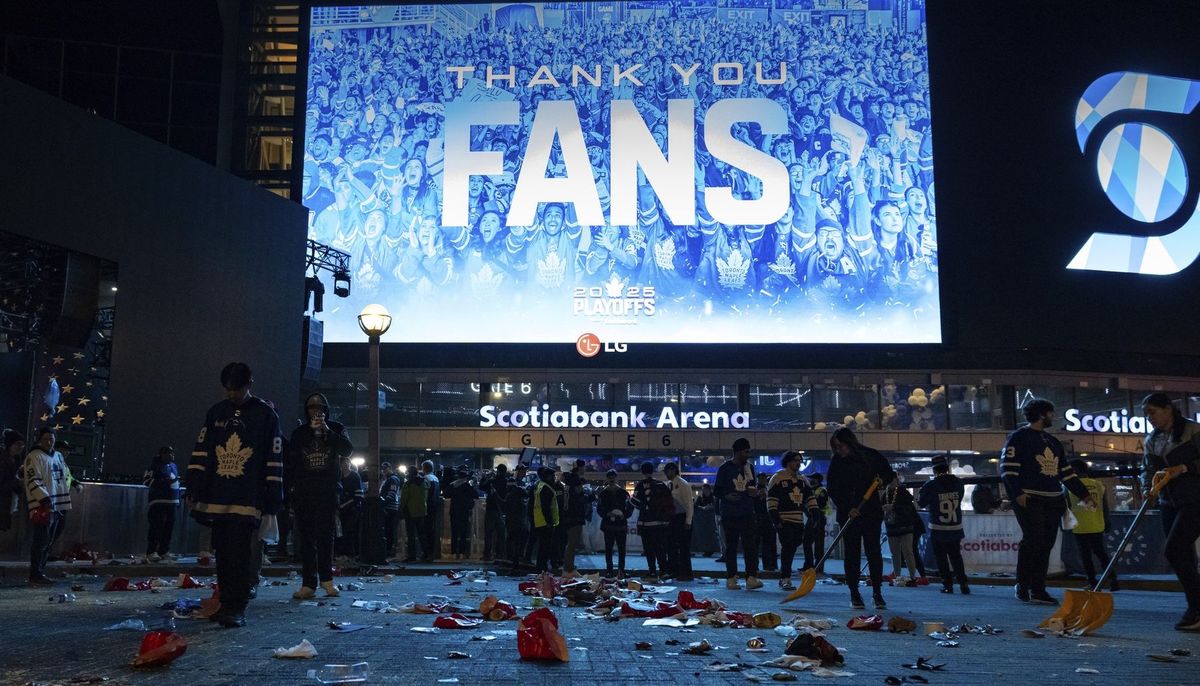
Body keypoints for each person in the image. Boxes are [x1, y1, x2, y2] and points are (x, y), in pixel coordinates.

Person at [186, 362, 283, 627]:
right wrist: (194, 485)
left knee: (240, 553)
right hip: (218, 495)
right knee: (223, 553)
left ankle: (237, 606)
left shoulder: (265, 415)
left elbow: (273, 457)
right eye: (228, 389)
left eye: (236, 389)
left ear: (249, 385)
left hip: (247, 496)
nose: (232, 394)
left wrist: (273, 495)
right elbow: (202, 450)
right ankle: (226, 602)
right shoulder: (216, 412)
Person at [1001, 398, 1091, 605]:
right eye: (1051, 413)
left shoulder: (1052, 441)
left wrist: (1083, 494)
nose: (1054, 417)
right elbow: (1007, 469)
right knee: (1034, 540)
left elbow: (1066, 473)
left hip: (1053, 499)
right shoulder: (1018, 437)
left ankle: (1037, 588)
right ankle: (1023, 584)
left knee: (1046, 544)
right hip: (1030, 498)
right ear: (1042, 414)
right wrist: (1017, 493)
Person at [1140, 393, 1200, 631]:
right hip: (1168, 502)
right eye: (1146, 414)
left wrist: (1184, 467)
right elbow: (1146, 469)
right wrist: (1147, 488)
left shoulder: (1193, 431)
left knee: (1174, 549)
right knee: (1183, 555)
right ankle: (1194, 607)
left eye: (1152, 412)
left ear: (1168, 409)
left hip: (1195, 499)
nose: (1149, 418)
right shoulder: (1151, 439)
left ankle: (1196, 608)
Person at [288, 393, 352, 599]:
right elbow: (292, 463)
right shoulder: (300, 433)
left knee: (326, 536)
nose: (316, 411)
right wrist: (291, 491)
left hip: (328, 490)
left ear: (326, 410)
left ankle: (327, 579)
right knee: (306, 538)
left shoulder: (336, 428)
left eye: (320, 407)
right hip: (305, 491)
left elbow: (347, 449)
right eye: (312, 407)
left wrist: (327, 432)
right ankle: (309, 583)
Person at [827, 427, 895, 610]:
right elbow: (832, 488)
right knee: (852, 553)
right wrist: (847, 507)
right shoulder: (837, 462)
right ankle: (854, 592)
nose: (838, 450)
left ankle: (877, 592)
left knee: (874, 552)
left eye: (840, 446)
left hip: (871, 511)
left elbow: (889, 474)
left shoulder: (871, 456)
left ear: (849, 443)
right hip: (849, 514)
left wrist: (882, 480)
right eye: (835, 447)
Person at [714, 438, 763, 590]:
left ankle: (751, 577)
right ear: (737, 452)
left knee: (750, 546)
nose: (748, 455)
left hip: (747, 511)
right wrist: (727, 496)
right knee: (731, 546)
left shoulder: (749, 467)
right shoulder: (725, 468)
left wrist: (755, 492)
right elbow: (717, 490)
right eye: (745, 452)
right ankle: (731, 577)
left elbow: (752, 486)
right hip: (730, 513)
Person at [767, 451, 820, 591]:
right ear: (788, 461)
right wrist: (776, 519)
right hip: (784, 519)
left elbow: (810, 498)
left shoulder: (802, 480)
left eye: (799, 461)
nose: (798, 463)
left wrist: (815, 514)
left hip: (798, 520)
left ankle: (785, 576)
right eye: (795, 460)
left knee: (793, 546)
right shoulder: (777, 478)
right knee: (788, 547)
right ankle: (785, 577)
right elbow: (771, 500)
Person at [25, 427, 71, 585]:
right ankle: (35, 573)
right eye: (45, 439)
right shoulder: (34, 456)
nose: (49, 442)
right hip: (44, 505)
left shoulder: (58, 456)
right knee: (41, 540)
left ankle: (40, 571)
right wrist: (44, 499)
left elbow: (64, 477)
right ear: (40, 440)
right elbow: (33, 479)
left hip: (59, 504)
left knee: (49, 540)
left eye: (51, 439)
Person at [918, 454, 969, 594]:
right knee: (956, 557)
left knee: (941, 558)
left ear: (934, 470)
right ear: (947, 468)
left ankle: (948, 585)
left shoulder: (931, 485)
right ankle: (964, 584)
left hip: (937, 527)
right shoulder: (958, 483)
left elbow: (921, 503)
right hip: (955, 526)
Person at [1068, 459, 1116, 592]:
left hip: (1080, 526)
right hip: (1097, 525)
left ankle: (1092, 582)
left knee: (1086, 557)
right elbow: (1105, 507)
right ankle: (1113, 580)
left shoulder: (1069, 486)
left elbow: (1066, 508)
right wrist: (1107, 522)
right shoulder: (1099, 485)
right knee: (1102, 554)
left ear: (1074, 470)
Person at [632, 462, 671, 581]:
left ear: (642, 472)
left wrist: (644, 506)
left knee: (649, 549)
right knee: (660, 548)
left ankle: (652, 572)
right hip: (660, 523)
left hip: (645, 522)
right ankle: (663, 571)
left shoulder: (640, 485)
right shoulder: (661, 484)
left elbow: (635, 502)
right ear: (653, 471)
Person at [142, 446, 181, 561]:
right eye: (169, 453)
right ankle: (151, 551)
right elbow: (146, 481)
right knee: (156, 527)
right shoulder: (154, 466)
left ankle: (164, 551)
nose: (172, 456)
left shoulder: (174, 466)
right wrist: (164, 482)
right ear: (162, 454)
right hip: (158, 501)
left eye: (173, 453)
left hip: (172, 502)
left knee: (169, 528)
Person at [597, 469, 632, 577]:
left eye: (613, 477)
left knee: (621, 549)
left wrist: (624, 515)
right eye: (610, 477)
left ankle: (621, 570)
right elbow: (599, 509)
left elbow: (629, 508)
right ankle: (609, 570)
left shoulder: (623, 493)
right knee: (609, 549)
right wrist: (608, 514)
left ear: (617, 479)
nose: (612, 479)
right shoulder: (603, 493)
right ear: (607, 479)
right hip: (609, 525)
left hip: (620, 524)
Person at [883, 483, 919, 585]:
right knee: (895, 553)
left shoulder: (903, 492)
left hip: (905, 525)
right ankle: (897, 576)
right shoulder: (885, 494)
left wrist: (893, 507)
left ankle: (912, 577)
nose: (890, 484)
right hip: (892, 526)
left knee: (908, 552)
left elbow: (909, 508)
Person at [664, 462, 695, 581]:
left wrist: (688, 521)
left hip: (682, 516)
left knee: (683, 547)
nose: (666, 474)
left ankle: (686, 573)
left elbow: (689, 503)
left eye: (667, 471)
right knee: (671, 545)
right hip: (673, 517)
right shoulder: (669, 484)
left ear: (673, 470)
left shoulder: (682, 484)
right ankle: (674, 570)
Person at [561, 459, 590, 575]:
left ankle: (569, 567)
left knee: (571, 543)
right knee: (572, 543)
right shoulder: (575, 480)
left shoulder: (568, 480)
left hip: (568, 515)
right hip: (575, 515)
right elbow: (579, 498)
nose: (585, 469)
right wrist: (591, 496)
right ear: (580, 467)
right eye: (584, 467)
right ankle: (568, 568)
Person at [531, 467, 559, 573]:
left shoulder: (541, 486)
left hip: (540, 520)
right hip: (545, 522)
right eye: (553, 476)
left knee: (543, 547)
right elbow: (546, 507)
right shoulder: (546, 488)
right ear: (548, 476)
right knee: (545, 547)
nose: (554, 478)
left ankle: (541, 568)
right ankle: (542, 569)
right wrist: (549, 521)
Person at [503, 463, 530, 574]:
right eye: (523, 471)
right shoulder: (517, 488)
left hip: (513, 519)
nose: (524, 473)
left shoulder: (512, 491)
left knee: (513, 540)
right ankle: (515, 562)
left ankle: (513, 562)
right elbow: (525, 495)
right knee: (516, 541)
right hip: (517, 520)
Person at [336, 457, 364, 559]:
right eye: (343, 463)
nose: (345, 464)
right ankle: (344, 553)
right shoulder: (339, 476)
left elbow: (358, 496)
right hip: (342, 509)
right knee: (342, 531)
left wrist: (344, 505)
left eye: (347, 462)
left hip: (353, 508)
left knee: (350, 531)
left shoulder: (354, 476)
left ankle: (352, 554)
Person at [399, 467, 429, 562]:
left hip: (410, 512)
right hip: (422, 511)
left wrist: (401, 509)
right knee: (422, 534)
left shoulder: (408, 484)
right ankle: (426, 554)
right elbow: (426, 496)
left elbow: (404, 499)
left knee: (411, 535)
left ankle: (412, 555)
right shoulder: (424, 482)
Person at [448, 467, 477, 560]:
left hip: (453, 511)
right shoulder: (467, 486)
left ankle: (453, 552)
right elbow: (476, 495)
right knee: (463, 533)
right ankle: (462, 552)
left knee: (454, 533)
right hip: (464, 511)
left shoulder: (453, 485)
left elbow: (446, 494)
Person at [481, 464, 509, 562]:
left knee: (489, 533)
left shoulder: (493, 481)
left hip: (491, 509)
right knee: (501, 534)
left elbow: (482, 487)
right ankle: (499, 554)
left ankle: (487, 554)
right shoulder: (506, 482)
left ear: (498, 471)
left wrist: (485, 477)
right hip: (501, 510)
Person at [754, 472, 779, 573]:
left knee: (769, 543)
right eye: (760, 478)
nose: (762, 480)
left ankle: (770, 565)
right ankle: (754, 565)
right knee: (755, 544)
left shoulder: (769, 489)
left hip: (768, 519)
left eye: (763, 478)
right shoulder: (754, 490)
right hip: (757, 519)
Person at [806, 473, 830, 573]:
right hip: (811, 517)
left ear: (818, 480)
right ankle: (808, 565)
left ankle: (818, 567)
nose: (810, 480)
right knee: (806, 542)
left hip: (819, 517)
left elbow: (821, 504)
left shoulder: (822, 490)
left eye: (812, 478)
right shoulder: (810, 490)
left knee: (819, 543)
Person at [1, 430, 24, 533]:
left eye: (22, 444)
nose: (21, 447)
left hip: (8, 503)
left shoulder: (17, 459)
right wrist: (18, 482)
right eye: (18, 444)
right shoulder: (2, 459)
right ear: (10, 444)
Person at [421, 460, 442, 561]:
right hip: (435, 507)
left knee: (426, 531)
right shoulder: (436, 478)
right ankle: (433, 553)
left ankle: (428, 553)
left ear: (424, 468)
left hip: (427, 508)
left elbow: (424, 495)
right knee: (432, 531)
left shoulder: (425, 479)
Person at [380, 462, 402, 559]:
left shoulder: (392, 479)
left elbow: (392, 494)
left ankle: (389, 549)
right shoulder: (389, 479)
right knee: (388, 530)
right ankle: (388, 549)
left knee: (389, 530)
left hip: (390, 508)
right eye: (382, 469)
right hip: (389, 507)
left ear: (390, 468)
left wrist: (382, 504)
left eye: (385, 468)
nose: (383, 471)